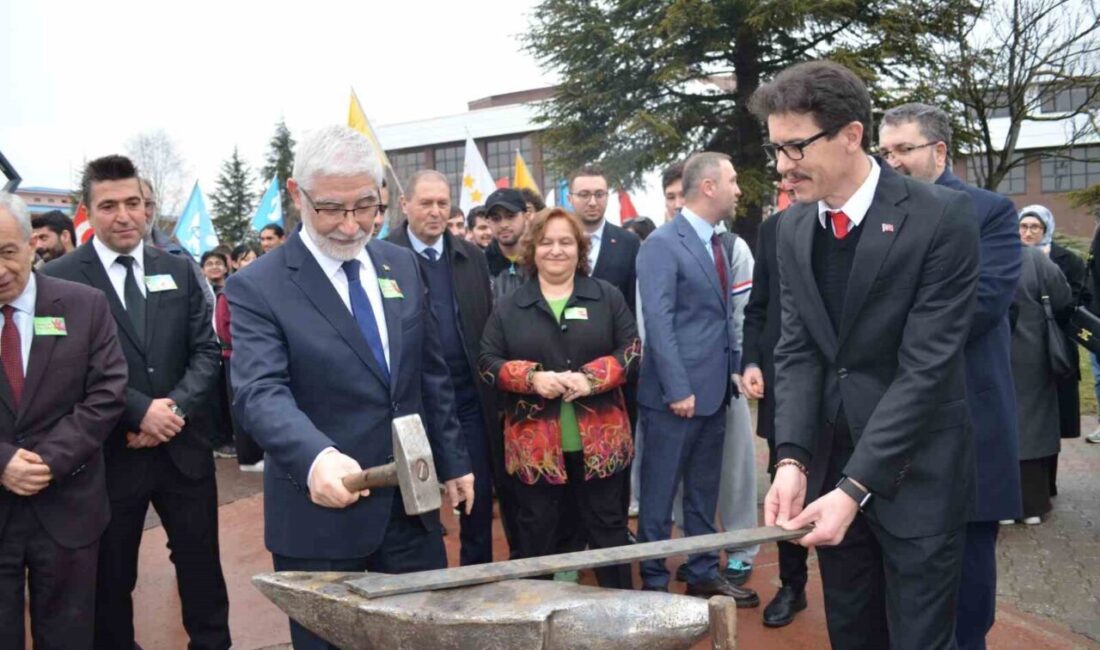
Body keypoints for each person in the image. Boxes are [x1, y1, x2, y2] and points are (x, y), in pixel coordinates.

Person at [753, 61, 980, 650]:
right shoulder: (791, 228)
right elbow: (797, 350)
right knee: (852, 635)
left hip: (918, 475)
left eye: (796, 147)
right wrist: (792, 458)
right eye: (776, 149)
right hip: (830, 470)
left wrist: (856, 487)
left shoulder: (942, 217)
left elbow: (926, 368)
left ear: (851, 135)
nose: (782, 166)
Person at [226, 126, 474, 650]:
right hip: (321, 521)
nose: (350, 224)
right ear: (297, 194)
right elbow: (260, 391)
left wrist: (454, 461)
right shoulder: (258, 286)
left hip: (411, 515)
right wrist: (315, 457)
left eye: (365, 205)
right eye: (331, 209)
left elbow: (429, 374)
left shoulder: (400, 264)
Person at [43, 155, 230, 650]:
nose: (124, 216)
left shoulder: (180, 270)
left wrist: (173, 410)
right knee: (111, 578)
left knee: (202, 568)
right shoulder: (59, 279)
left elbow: (206, 352)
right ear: (88, 211)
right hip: (108, 456)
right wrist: (139, 411)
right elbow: (64, 368)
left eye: (134, 203)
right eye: (109, 206)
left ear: (148, 208)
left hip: (183, 451)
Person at [879, 102, 1024, 650]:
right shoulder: (878, 216)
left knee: (969, 580)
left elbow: (981, 304)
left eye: (904, 149)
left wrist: (887, 324)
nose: (892, 161)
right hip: (899, 420)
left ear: (939, 151)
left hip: (970, 418)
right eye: (885, 151)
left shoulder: (990, 212)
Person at [479, 206, 639, 589]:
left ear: (579, 249)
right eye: (546, 242)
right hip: (536, 453)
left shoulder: (606, 296)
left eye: (566, 242)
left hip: (601, 450)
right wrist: (532, 378)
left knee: (610, 537)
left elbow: (632, 351)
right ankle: (539, 617)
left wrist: (590, 379)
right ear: (532, 249)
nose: (556, 250)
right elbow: (487, 363)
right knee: (537, 542)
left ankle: (622, 614)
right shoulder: (510, 306)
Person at [0, 192, 128, 650]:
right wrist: (3, 461)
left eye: (7, 252)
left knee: (69, 636)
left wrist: (48, 462)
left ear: (31, 244)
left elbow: (107, 392)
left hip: (68, 506)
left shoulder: (84, 305)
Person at [635, 151, 759, 606]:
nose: (738, 190)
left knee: (704, 492)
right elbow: (658, 321)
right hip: (676, 399)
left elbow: (723, 319)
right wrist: (677, 388)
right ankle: (653, 583)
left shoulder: (719, 244)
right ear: (708, 187)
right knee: (659, 494)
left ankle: (703, 571)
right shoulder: (662, 244)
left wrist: (738, 369)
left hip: (715, 393)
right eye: (732, 180)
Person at [387, 169, 501, 565]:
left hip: (468, 398)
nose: (435, 212)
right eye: (426, 203)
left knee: (476, 496)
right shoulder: (382, 258)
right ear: (405, 205)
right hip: (410, 403)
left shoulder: (472, 257)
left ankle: (477, 577)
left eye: (442, 203)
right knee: (416, 505)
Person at [740, 206, 808, 627]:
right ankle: (792, 585)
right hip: (784, 384)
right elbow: (758, 307)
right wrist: (751, 362)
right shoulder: (775, 228)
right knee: (785, 489)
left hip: (848, 386)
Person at [1011, 207, 1074, 525]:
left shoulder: (983, 257)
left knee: (999, 425)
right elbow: (1063, 298)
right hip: (1033, 355)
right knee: (1033, 426)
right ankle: (1032, 505)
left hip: (994, 355)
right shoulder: (1035, 259)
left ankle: (1003, 504)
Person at [1021, 205, 1087, 487]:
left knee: (1054, 415)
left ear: (1046, 229)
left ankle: (1048, 481)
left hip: (1056, 345)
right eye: (1023, 227)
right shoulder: (1010, 259)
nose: (1028, 233)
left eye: (1035, 227)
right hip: (1024, 350)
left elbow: (1077, 298)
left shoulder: (1067, 260)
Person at [215, 242, 264, 471]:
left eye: (253, 258)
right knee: (241, 405)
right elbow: (224, 330)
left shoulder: (260, 287)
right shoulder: (227, 292)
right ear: (233, 263)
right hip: (234, 357)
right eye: (244, 259)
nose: (250, 263)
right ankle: (248, 458)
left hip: (258, 356)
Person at [567, 164, 640, 313]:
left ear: (607, 197)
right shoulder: (557, 242)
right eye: (584, 195)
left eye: (599, 194)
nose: (592, 202)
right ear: (570, 199)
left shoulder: (628, 243)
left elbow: (633, 300)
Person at [483, 189, 532, 300]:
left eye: (510, 216)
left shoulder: (541, 261)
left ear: (526, 217)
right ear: (488, 222)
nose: (503, 225)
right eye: (496, 219)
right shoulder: (480, 265)